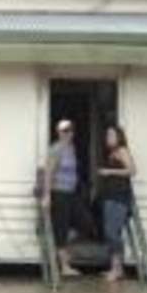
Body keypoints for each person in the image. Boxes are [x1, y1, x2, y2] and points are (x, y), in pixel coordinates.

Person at [41, 119, 82, 277]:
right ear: (58, 133)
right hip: (58, 193)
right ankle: (64, 266)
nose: (68, 134)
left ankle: (65, 255)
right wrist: (47, 195)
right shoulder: (56, 149)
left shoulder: (71, 148)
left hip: (71, 193)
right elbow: (48, 173)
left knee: (85, 222)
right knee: (61, 229)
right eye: (64, 131)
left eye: (70, 131)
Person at [97, 125, 136, 282]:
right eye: (107, 134)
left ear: (119, 136)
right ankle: (114, 268)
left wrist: (109, 172)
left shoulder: (122, 151)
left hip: (120, 197)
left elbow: (132, 170)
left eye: (111, 134)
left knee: (112, 232)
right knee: (110, 232)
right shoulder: (112, 152)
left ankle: (118, 268)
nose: (109, 137)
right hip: (110, 197)